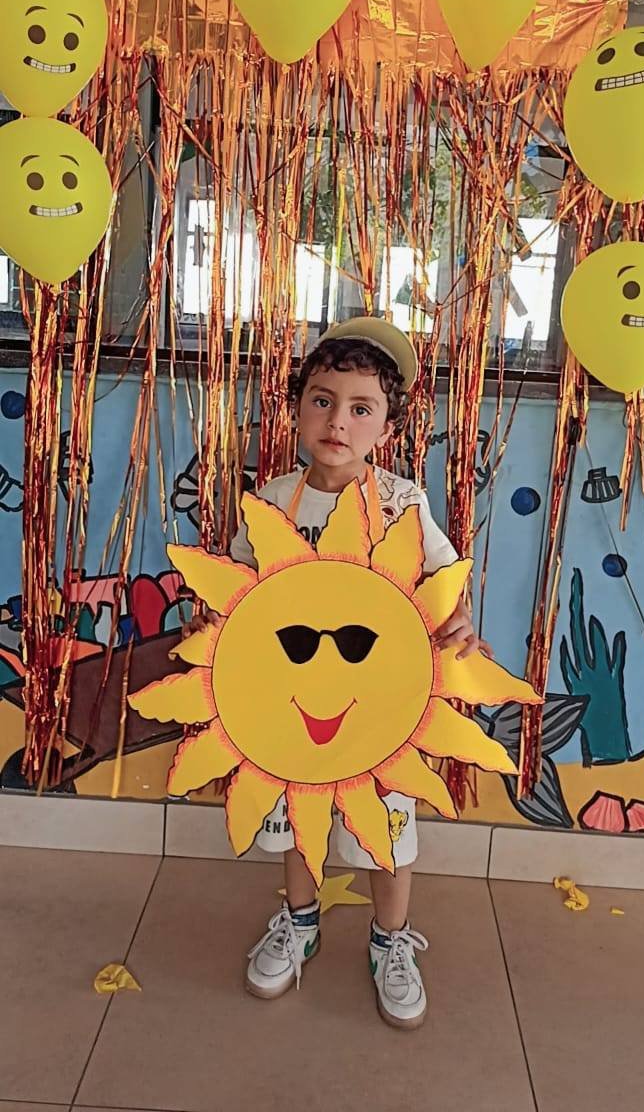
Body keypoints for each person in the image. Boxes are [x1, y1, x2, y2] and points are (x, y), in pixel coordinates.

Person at [184, 316, 490, 1030]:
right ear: (296, 408)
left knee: (387, 829)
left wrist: (458, 619)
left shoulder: (402, 502)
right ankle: (300, 922)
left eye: (360, 408)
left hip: (378, 706)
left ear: (387, 427)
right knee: (298, 817)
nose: (338, 422)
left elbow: (445, 577)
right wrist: (214, 625)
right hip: (293, 705)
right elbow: (240, 585)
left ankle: (390, 940)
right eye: (322, 401)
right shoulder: (272, 500)